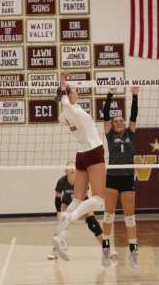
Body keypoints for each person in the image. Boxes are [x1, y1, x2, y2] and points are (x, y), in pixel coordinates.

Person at [52, 72, 106, 261]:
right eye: (73, 89)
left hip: (81, 154)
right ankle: (72, 217)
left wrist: (65, 92)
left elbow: (66, 107)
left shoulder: (63, 116)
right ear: (69, 94)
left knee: (77, 199)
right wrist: (64, 84)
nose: (76, 90)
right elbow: (66, 103)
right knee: (98, 199)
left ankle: (61, 237)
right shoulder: (71, 108)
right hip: (93, 151)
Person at [101, 86, 140, 270]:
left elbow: (133, 117)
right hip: (112, 178)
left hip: (127, 178)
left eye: (121, 121)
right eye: (116, 121)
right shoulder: (110, 136)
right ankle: (106, 249)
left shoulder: (131, 134)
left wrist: (134, 96)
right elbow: (105, 114)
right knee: (108, 216)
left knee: (130, 218)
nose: (118, 123)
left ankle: (133, 252)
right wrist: (109, 94)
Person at [49, 162, 117, 262]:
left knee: (93, 223)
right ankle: (55, 249)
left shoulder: (82, 180)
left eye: (74, 167)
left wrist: (77, 212)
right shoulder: (62, 181)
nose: (72, 169)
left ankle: (107, 248)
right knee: (61, 223)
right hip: (66, 203)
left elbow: (82, 197)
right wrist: (58, 211)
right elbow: (57, 198)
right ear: (66, 170)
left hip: (82, 202)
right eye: (70, 167)